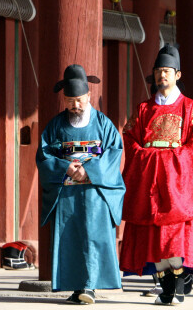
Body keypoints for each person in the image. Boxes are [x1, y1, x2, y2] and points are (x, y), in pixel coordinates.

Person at [119, 46, 193, 305]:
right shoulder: (143, 109)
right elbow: (130, 139)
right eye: (159, 71)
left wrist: (172, 160)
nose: (162, 76)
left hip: (177, 184)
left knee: (175, 239)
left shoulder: (190, 108)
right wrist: (148, 157)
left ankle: (179, 285)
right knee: (154, 240)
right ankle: (167, 288)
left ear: (178, 75)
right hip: (151, 181)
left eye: (167, 71)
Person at [36, 64, 126, 305]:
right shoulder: (56, 125)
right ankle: (76, 287)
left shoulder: (104, 125)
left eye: (78, 100)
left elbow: (113, 153)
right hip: (66, 193)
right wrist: (65, 167)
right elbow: (44, 155)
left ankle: (90, 286)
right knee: (70, 239)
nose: (74, 105)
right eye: (69, 101)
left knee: (93, 237)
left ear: (88, 96)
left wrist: (89, 170)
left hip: (94, 192)